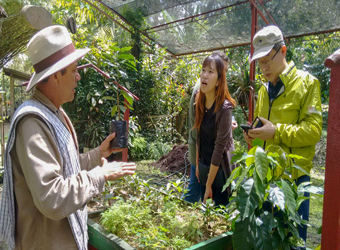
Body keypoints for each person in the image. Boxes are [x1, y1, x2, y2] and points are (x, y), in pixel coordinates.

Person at [0, 25, 136, 250]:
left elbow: (66, 165)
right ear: (55, 76)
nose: (78, 76)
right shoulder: (32, 124)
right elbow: (52, 197)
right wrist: (99, 175)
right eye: (73, 70)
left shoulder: (55, 113)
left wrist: (97, 155)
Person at [244, 25, 322, 248]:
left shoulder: (307, 83)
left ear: (284, 51)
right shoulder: (262, 90)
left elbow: (313, 131)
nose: (264, 67)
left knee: (294, 241)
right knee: (267, 240)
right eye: (260, 62)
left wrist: (276, 132)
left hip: (294, 179)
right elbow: (263, 129)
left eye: (268, 59)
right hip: (266, 177)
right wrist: (254, 137)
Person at [184, 51, 237, 203]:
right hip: (203, 165)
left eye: (211, 72)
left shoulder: (225, 108)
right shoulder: (198, 96)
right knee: (203, 211)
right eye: (203, 70)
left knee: (220, 214)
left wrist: (208, 184)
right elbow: (197, 133)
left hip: (219, 170)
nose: (204, 75)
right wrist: (198, 166)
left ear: (220, 79)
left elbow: (219, 148)